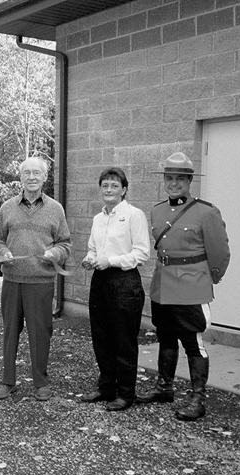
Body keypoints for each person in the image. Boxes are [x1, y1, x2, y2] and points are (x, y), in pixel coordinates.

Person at [137, 152, 230, 421]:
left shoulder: (206, 212)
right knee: (165, 338)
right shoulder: (157, 210)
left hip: (192, 286)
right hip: (163, 286)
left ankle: (197, 398)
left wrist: (209, 278)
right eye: (169, 178)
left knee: (193, 343)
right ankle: (164, 388)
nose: (173, 183)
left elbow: (220, 252)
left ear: (190, 181)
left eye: (180, 178)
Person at [0, 156, 71, 402]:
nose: (32, 177)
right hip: (13, 280)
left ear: (45, 178)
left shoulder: (56, 209)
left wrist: (54, 253)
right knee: (10, 332)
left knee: (40, 334)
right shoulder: (7, 208)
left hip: (41, 282)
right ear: (21, 177)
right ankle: (8, 381)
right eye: (27, 173)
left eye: (37, 173)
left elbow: (65, 244)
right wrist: (3, 253)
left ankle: (41, 382)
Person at [80, 167, 149, 411]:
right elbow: (92, 248)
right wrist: (90, 258)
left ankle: (126, 393)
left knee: (124, 339)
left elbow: (142, 253)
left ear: (124, 190)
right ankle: (106, 387)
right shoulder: (99, 218)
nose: (109, 190)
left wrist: (111, 261)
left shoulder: (133, 215)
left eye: (114, 186)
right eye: (105, 186)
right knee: (101, 337)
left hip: (124, 282)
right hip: (100, 281)